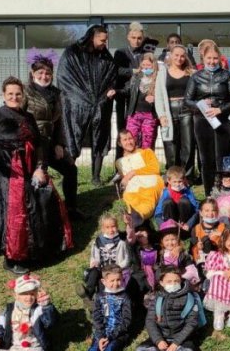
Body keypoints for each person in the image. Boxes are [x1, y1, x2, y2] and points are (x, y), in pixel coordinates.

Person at [0, 77, 55, 274]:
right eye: (10, 94)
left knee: (34, 208)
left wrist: (39, 167)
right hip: (6, 172)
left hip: (28, 170)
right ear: (3, 95)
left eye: (17, 94)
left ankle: (29, 252)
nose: (14, 97)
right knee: (13, 213)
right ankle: (11, 258)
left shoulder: (28, 117)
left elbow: (38, 144)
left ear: (23, 95)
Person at [23, 49, 83, 220]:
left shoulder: (56, 94)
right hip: (33, 145)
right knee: (36, 178)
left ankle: (71, 209)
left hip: (51, 143)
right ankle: (35, 215)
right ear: (32, 73)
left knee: (70, 169)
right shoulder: (26, 92)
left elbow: (59, 122)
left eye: (48, 73)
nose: (44, 76)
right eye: (40, 72)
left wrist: (59, 144)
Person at [57, 25, 117, 186]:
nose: (105, 43)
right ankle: (68, 173)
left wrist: (108, 93)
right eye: (102, 40)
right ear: (92, 37)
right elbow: (65, 79)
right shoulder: (72, 53)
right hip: (77, 106)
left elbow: (112, 78)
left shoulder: (106, 57)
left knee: (100, 138)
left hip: (100, 105)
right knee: (74, 137)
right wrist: (80, 99)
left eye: (106, 40)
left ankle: (96, 176)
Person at [184, 43, 230, 196]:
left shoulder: (227, 76)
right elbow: (187, 100)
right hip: (202, 121)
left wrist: (220, 109)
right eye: (209, 58)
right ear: (203, 58)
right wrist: (199, 104)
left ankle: (223, 192)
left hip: (223, 121)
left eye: (215, 58)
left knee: (222, 158)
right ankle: (209, 193)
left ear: (220, 58)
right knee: (206, 159)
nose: (212, 61)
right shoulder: (196, 77)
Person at [70, 265, 133, 351]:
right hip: (102, 333)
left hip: (119, 335)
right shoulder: (100, 296)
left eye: (118, 280)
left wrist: (110, 337)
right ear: (104, 282)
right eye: (112, 280)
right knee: (93, 350)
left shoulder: (125, 297)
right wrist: (100, 336)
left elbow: (126, 320)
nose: (115, 283)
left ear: (122, 279)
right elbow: (97, 317)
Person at [135, 266, 198, 351]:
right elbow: (150, 321)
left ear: (181, 280)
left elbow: (192, 323)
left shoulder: (189, 298)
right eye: (169, 281)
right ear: (161, 283)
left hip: (181, 339)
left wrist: (176, 343)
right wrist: (158, 340)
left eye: (176, 281)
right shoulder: (157, 298)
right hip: (161, 336)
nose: (173, 284)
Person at [0, 274, 57, 351]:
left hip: (32, 348)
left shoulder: (38, 309)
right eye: (24, 294)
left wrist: (47, 306)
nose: (29, 297)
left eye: (32, 294)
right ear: (16, 296)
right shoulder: (8, 311)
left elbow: (50, 323)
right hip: (12, 349)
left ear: (36, 294)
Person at [155, 45, 197, 181]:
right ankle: (173, 176)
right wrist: (161, 115)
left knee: (188, 145)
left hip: (186, 111)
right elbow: (159, 95)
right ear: (171, 55)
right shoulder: (162, 72)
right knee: (170, 146)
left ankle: (187, 177)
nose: (179, 58)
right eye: (176, 55)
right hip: (168, 111)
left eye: (182, 56)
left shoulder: (191, 73)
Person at [76, 213, 133, 307]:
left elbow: (126, 256)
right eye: (107, 227)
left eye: (113, 226)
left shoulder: (121, 239)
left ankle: (104, 303)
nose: (111, 229)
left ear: (117, 226)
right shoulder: (98, 241)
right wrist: (94, 263)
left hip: (116, 269)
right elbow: (94, 256)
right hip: (102, 268)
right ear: (102, 228)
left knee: (106, 283)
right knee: (94, 273)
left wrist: (129, 224)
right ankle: (88, 293)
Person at [115, 130, 165, 227]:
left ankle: (140, 215)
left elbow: (155, 168)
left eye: (130, 138)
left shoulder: (146, 152)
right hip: (132, 186)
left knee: (148, 195)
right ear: (120, 143)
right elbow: (123, 177)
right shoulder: (119, 162)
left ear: (134, 139)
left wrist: (132, 173)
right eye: (125, 140)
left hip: (150, 181)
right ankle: (133, 217)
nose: (129, 142)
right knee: (129, 197)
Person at [113, 22, 146, 162]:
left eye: (139, 38)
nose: (136, 40)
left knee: (136, 133)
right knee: (122, 131)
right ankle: (119, 164)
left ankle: (136, 162)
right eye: (133, 37)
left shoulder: (146, 54)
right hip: (123, 96)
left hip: (139, 98)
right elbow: (116, 71)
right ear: (128, 37)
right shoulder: (120, 53)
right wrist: (133, 71)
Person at [121, 52, 159, 149]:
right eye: (144, 65)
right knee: (132, 140)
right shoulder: (136, 77)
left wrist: (155, 98)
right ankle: (134, 163)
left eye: (149, 65)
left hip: (150, 115)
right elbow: (126, 90)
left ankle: (146, 162)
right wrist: (115, 91)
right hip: (134, 114)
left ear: (153, 65)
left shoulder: (158, 79)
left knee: (147, 141)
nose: (146, 67)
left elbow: (163, 96)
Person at [189, 198, 228, 283]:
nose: (210, 214)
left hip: (220, 260)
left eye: (213, 210)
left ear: (217, 212)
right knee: (205, 240)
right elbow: (191, 250)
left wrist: (222, 237)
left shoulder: (224, 227)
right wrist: (197, 247)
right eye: (206, 210)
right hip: (203, 261)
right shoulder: (196, 229)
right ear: (201, 213)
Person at [153, 166, 199, 231]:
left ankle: (183, 228)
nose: (177, 184)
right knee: (167, 202)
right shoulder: (166, 192)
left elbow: (196, 209)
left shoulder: (187, 191)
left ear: (184, 180)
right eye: (174, 182)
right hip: (171, 217)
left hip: (185, 219)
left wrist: (189, 224)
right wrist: (162, 225)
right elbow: (158, 212)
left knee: (184, 201)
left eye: (180, 181)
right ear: (169, 181)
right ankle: (170, 227)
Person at [157, 220, 200, 287]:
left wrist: (179, 250)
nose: (170, 243)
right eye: (167, 240)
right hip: (168, 281)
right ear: (162, 242)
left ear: (178, 240)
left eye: (173, 239)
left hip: (182, 279)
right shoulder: (162, 254)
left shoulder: (183, 253)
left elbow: (190, 269)